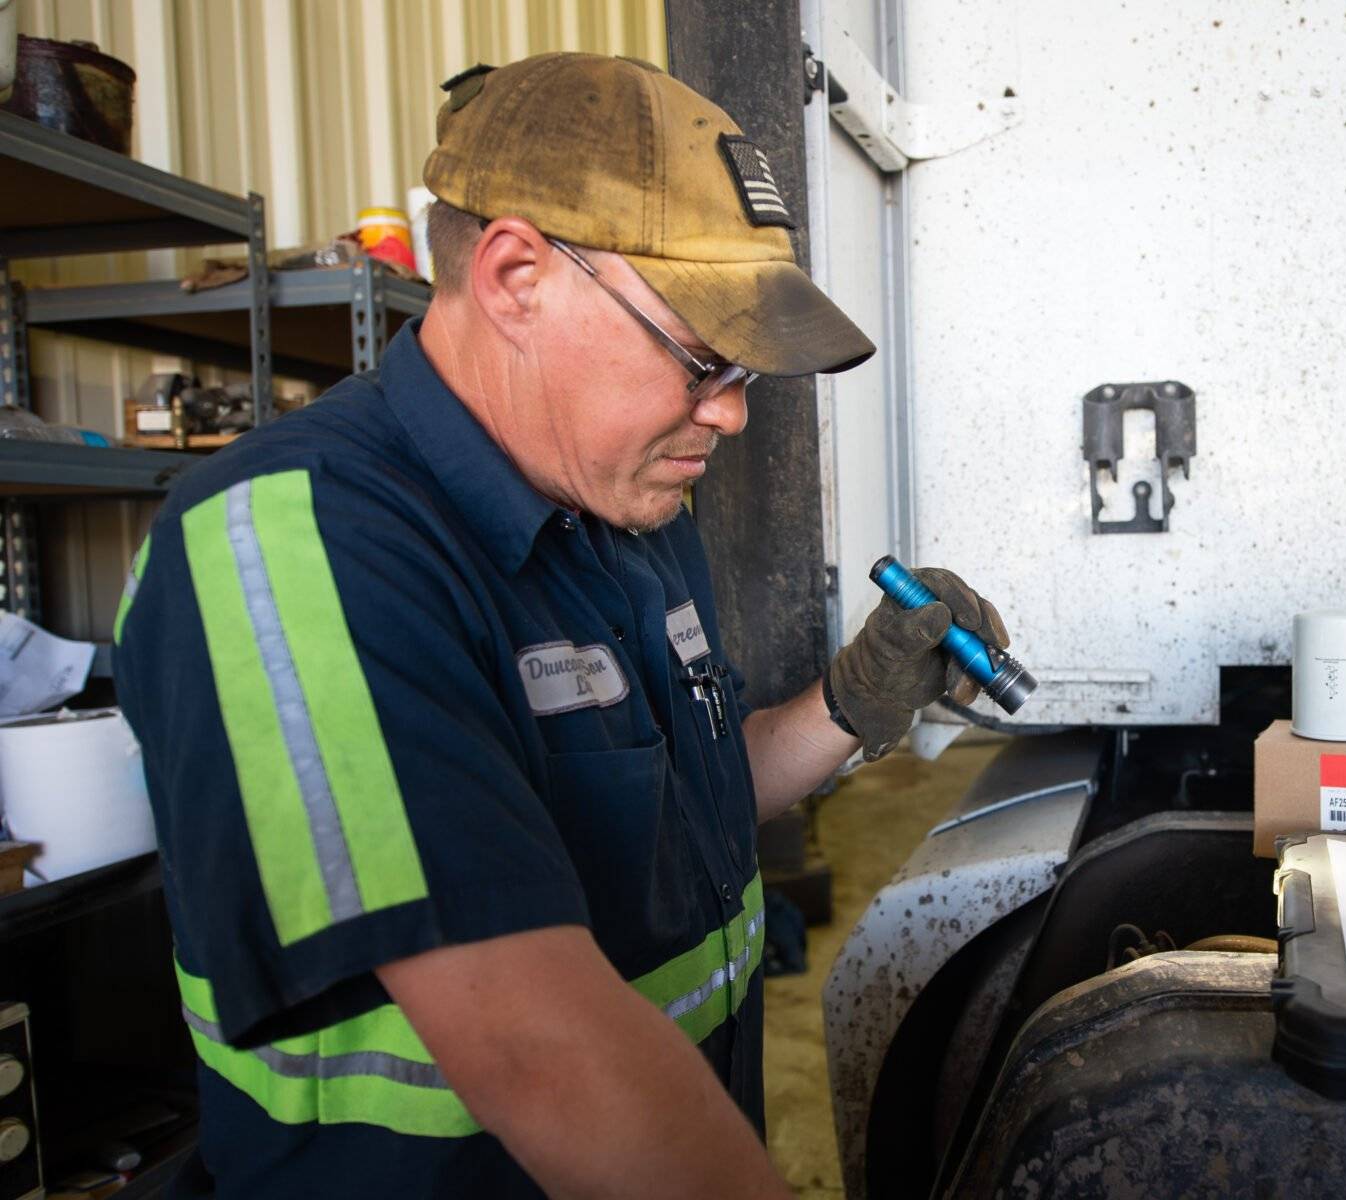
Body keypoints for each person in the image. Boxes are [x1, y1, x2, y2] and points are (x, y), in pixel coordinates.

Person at [114, 53, 1011, 1198]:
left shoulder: (626, 509)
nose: (730, 411)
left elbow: (680, 807)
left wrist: (849, 704)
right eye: (700, 355)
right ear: (516, 276)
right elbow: (538, 1053)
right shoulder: (295, 547)